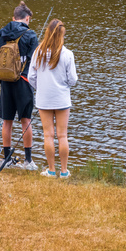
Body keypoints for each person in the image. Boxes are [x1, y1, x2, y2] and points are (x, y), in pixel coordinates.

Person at [27, 18, 77, 178]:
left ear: (47, 32)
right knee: (62, 135)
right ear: (62, 35)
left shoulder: (38, 52)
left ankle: (51, 170)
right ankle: (64, 172)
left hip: (44, 99)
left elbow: (31, 77)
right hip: (62, 99)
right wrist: (64, 85)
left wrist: (41, 88)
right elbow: (73, 80)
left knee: (48, 135)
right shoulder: (68, 54)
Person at [0, 1, 39, 170]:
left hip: (5, 80)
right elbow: (34, 61)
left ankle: (6, 160)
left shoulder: (2, 33)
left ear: (13, 18)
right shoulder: (31, 34)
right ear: (27, 18)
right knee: (26, 120)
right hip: (23, 81)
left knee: (7, 121)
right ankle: (28, 161)